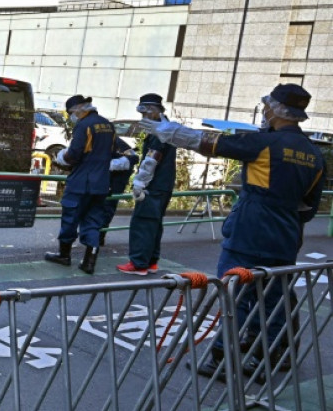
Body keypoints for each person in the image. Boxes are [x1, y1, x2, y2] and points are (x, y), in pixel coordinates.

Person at [139, 83, 327, 377]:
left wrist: (167, 131)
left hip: (249, 230)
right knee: (275, 298)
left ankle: (222, 359)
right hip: (286, 236)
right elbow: (309, 208)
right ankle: (270, 359)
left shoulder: (264, 143)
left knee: (233, 295)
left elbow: (210, 142)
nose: (264, 110)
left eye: (267, 104)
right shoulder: (314, 155)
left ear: (277, 110)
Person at [44, 94, 116, 274]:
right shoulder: (108, 124)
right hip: (101, 183)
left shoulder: (84, 125)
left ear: (78, 108)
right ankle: (89, 262)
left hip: (81, 182)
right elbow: (112, 152)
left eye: (70, 113)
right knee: (93, 221)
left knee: (70, 218)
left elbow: (74, 154)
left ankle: (64, 255)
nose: (71, 117)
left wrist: (61, 157)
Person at [116, 93, 177, 276]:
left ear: (153, 110)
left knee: (143, 222)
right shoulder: (167, 128)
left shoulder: (159, 132)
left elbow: (151, 160)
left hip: (153, 185)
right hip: (164, 184)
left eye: (145, 112)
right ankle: (151, 261)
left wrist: (139, 183)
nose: (143, 117)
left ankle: (138, 263)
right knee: (155, 223)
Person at [98, 137, 139, 247]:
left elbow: (133, 158)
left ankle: (99, 236)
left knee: (108, 206)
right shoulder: (102, 140)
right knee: (104, 206)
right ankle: (98, 235)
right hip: (109, 177)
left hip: (116, 179)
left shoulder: (114, 142)